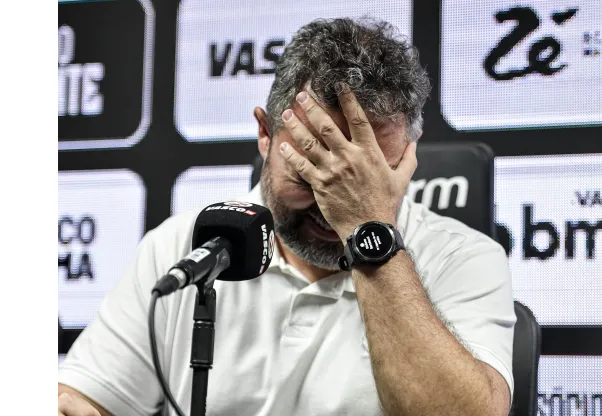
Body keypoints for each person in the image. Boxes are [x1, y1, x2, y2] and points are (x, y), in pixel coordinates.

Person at [58, 17, 516, 416]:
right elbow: (85, 399)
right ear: (264, 134)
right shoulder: (183, 245)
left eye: (363, 177)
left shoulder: (464, 257)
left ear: (404, 160)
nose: (332, 204)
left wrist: (368, 229)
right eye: (310, 171)